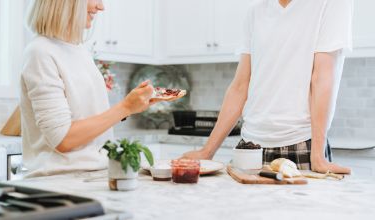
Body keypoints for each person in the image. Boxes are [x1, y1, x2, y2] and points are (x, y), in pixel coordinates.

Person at [183, 0, 353, 174]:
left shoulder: (331, 3)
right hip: (249, 146)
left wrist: (318, 156)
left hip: (300, 144)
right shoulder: (255, 11)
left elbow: (322, 79)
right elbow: (240, 87)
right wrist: (207, 151)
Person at [20, 0, 157, 177]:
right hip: (60, 181)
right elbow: (63, 139)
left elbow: (89, 119)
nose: (101, 7)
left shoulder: (79, 50)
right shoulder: (40, 52)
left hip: (93, 174)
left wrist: (133, 105)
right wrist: (125, 107)